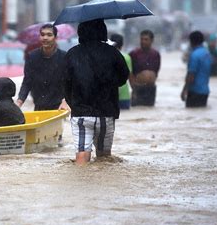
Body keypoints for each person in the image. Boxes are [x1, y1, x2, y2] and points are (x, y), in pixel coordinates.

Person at [64, 19, 129, 165]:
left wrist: (74, 104)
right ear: (103, 31)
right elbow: (123, 77)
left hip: (81, 113)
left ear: (80, 32)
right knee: (104, 158)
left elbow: (65, 84)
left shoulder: (72, 54)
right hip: (106, 112)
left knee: (82, 154)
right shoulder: (113, 52)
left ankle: (80, 183)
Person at [17, 23, 69, 111]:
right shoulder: (32, 56)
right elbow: (27, 82)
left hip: (59, 107)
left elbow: (70, 83)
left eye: (49, 35)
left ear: (55, 38)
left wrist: (65, 101)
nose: (45, 38)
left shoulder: (64, 57)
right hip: (39, 106)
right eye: (42, 35)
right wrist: (19, 102)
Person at [128, 30, 161, 106]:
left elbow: (156, 70)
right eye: (141, 39)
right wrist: (134, 88)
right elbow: (129, 73)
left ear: (152, 40)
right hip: (138, 88)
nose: (143, 41)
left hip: (151, 88)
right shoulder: (134, 53)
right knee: (137, 112)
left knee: (150, 112)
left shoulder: (156, 54)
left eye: (146, 39)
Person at [181, 30, 212, 108]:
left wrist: (184, 90)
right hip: (205, 91)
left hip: (195, 91)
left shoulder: (194, 55)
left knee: (191, 114)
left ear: (191, 41)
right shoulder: (207, 54)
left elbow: (191, 75)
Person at [110, 33, 133, 110]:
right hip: (124, 96)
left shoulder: (105, 57)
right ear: (122, 44)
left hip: (109, 96)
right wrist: (134, 91)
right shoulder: (126, 57)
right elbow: (129, 76)